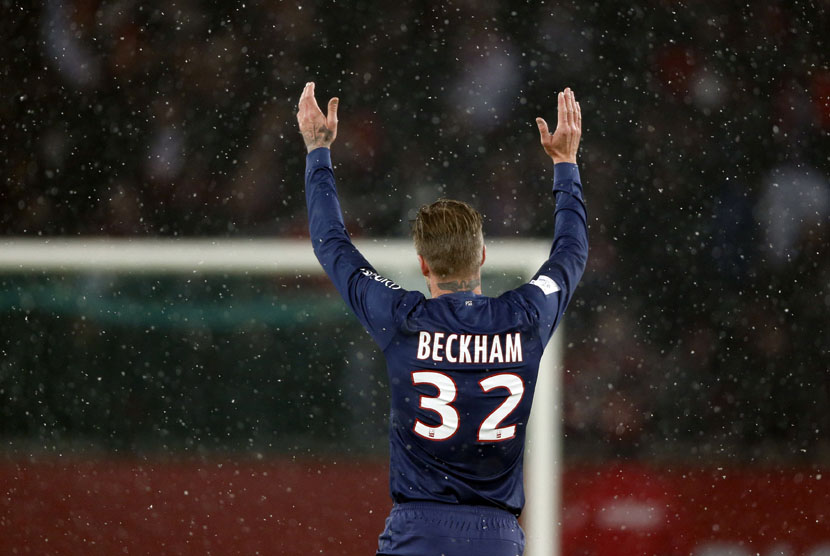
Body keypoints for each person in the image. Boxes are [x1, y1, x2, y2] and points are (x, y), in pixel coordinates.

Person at [298, 81, 587, 556]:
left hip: (417, 531)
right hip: (495, 534)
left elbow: (333, 245)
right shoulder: (526, 316)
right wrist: (566, 165)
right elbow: (571, 254)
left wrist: (318, 151)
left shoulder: (402, 317)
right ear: (484, 256)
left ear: (423, 263)